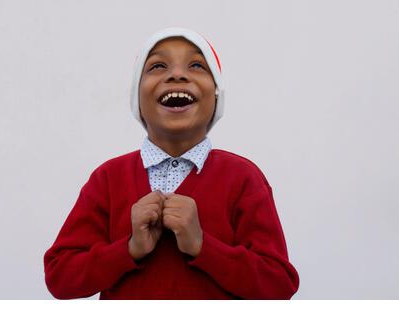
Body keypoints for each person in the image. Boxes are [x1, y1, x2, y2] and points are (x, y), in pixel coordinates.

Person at [43, 27, 300, 299]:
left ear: (216, 95)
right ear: (137, 97)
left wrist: (203, 246)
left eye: (197, 65)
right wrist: (129, 249)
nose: (177, 74)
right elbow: (60, 276)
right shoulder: (108, 178)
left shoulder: (244, 178)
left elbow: (279, 286)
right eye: (157, 65)